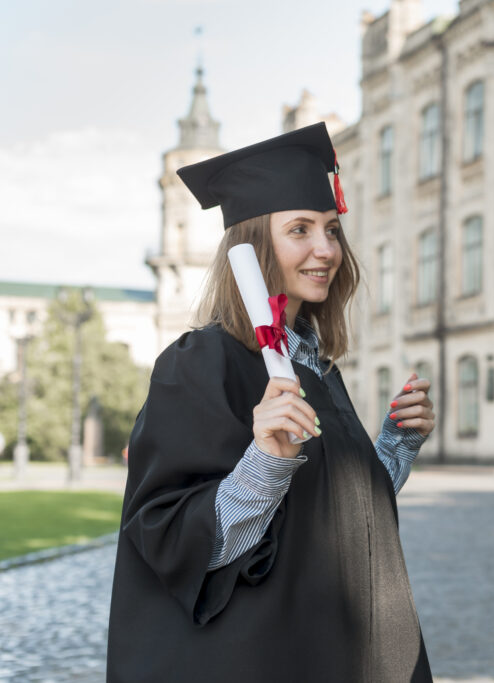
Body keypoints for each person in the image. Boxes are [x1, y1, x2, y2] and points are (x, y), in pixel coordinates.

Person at [107, 123, 433, 682]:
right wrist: (264, 463)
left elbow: (333, 515)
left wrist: (395, 446)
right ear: (254, 244)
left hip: (337, 647)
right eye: (300, 230)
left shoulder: (313, 366)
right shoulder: (200, 363)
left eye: (332, 230)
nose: (326, 250)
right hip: (264, 657)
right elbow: (172, 541)